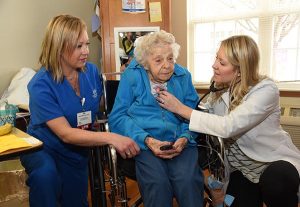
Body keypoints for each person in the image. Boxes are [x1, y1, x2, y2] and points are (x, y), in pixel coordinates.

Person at [156, 35, 300, 207]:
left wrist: (179, 107)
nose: (214, 65)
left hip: (270, 161)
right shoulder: (220, 87)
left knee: (277, 182)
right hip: (240, 169)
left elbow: (228, 126)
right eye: (217, 57)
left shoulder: (265, 89)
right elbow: (204, 118)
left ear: (240, 70)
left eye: (222, 63)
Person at [20, 14, 140, 207]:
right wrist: (112, 138)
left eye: (87, 44)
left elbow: (99, 104)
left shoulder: (90, 72)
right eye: (78, 46)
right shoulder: (40, 84)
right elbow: (66, 134)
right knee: (46, 178)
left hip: (76, 151)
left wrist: (127, 81)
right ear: (59, 47)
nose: (85, 51)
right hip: (45, 149)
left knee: (76, 201)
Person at [108, 30, 204, 207]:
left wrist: (185, 138)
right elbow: (117, 117)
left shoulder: (183, 76)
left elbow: (193, 114)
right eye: (158, 60)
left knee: (188, 180)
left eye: (170, 59)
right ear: (145, 63)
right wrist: (147, 140)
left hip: (180, 141)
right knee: (157, 182)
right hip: (144, 143)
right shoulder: (132, 76)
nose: (167, 65)